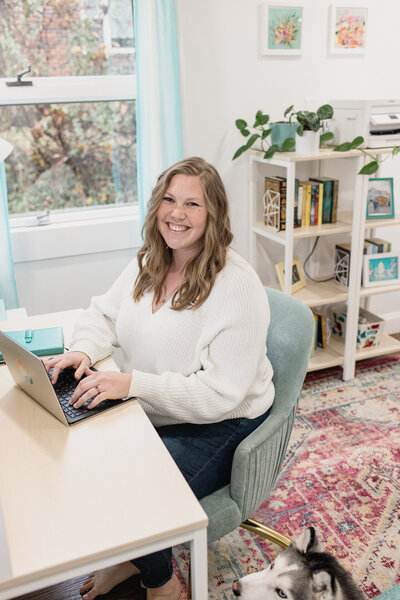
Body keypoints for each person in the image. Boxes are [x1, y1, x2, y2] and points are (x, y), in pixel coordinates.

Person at [45, 157, 275, 600]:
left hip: (221, 423)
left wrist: (132, 385)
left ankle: (162, 583)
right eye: (169, 200)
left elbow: (221, 395)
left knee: (131, 486)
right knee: (81, 461)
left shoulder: (236, 286)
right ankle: (129, 560)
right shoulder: (152, 260)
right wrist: (82, 350)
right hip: (155, 406)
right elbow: (103, 314)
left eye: (193, 204)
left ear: (214, 215)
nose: (177, 213)